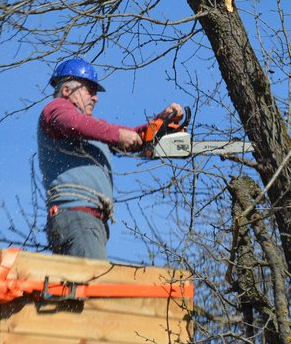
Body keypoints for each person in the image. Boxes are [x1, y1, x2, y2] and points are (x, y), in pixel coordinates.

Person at [38, 57, 183, 260]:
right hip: (76, 215)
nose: (95, 98)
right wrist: (118, 136)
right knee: (92, 287)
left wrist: (158, 123)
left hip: (86, 218)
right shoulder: (56, 108)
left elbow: (128, 135)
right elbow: (81, 124)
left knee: (80, 287)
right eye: (90, 90)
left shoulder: (91, 129)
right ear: (66, 91)